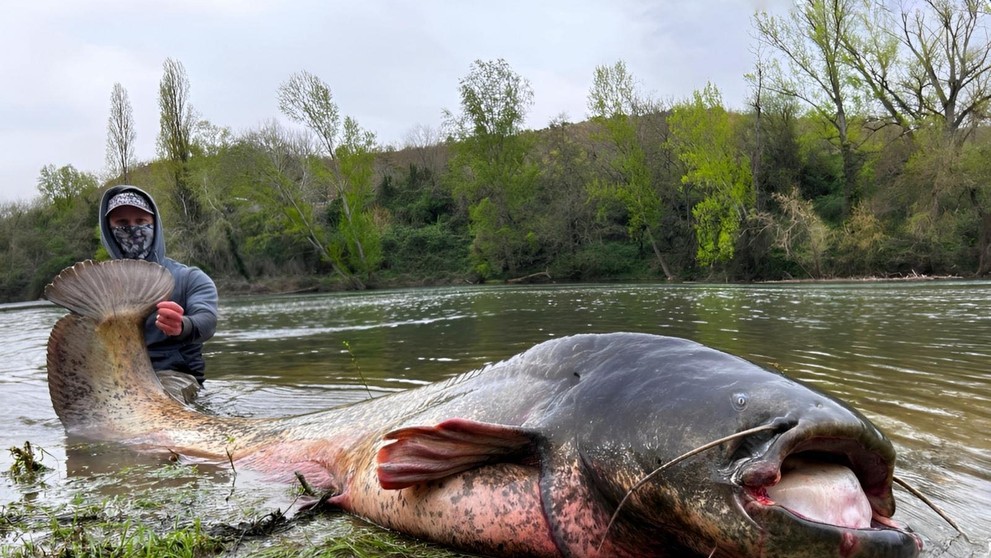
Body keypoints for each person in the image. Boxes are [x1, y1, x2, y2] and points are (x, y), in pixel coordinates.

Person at [99, 185, 218, 403]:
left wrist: (183, 325)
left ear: (155, 225)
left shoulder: (190, 278)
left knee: (159, 402)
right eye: (122, 223)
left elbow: (207, 320)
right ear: (108, 229)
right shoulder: (99, 287)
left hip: (176, 376)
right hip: (118, 378)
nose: (132, 229)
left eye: (141, 222)